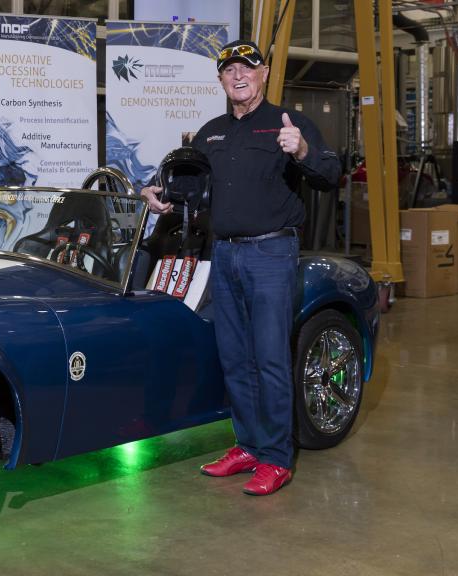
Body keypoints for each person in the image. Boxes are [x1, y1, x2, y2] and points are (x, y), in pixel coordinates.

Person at [141, 40, 340, 496]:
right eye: (229, 70)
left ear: (264, 73)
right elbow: (186, 189)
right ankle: (248, 445)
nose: (238, 76)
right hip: (224, 254)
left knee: (269, 357)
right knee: (234, 357)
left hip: (271, 254)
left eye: (247, 68)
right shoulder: (211, 132)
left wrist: (304, 150)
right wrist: (159, 196)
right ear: (220, 79)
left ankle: (275, 457)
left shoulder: (287, 124)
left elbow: (331, 175)